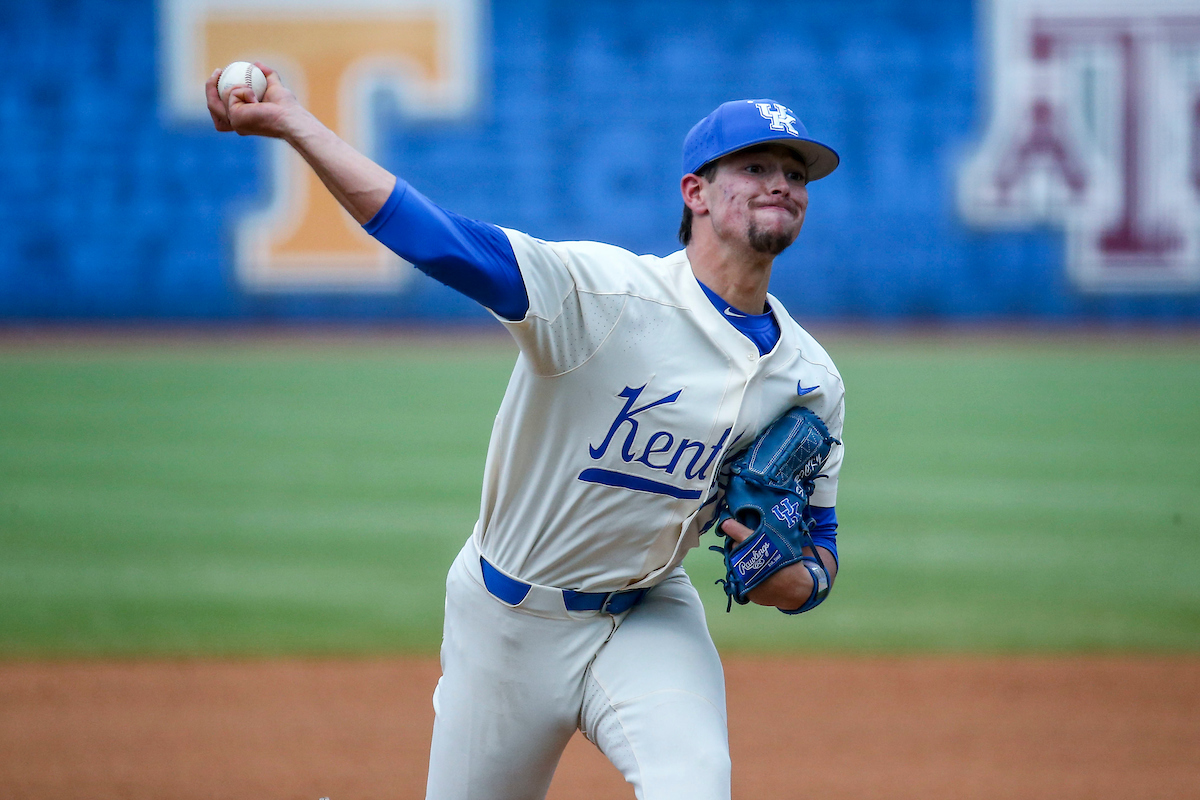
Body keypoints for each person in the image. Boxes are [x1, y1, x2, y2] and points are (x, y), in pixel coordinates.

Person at [207, 64, 845, 800]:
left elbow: (820, 555)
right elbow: (439, 241)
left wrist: (794, 580)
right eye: (756, 166)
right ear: (694, 192)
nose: (782, 184)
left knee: (694, 785)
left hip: (647, 616)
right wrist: (294, 123)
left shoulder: (810, 377)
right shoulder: (601, 297)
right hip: (508, 623)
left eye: (796, 174)